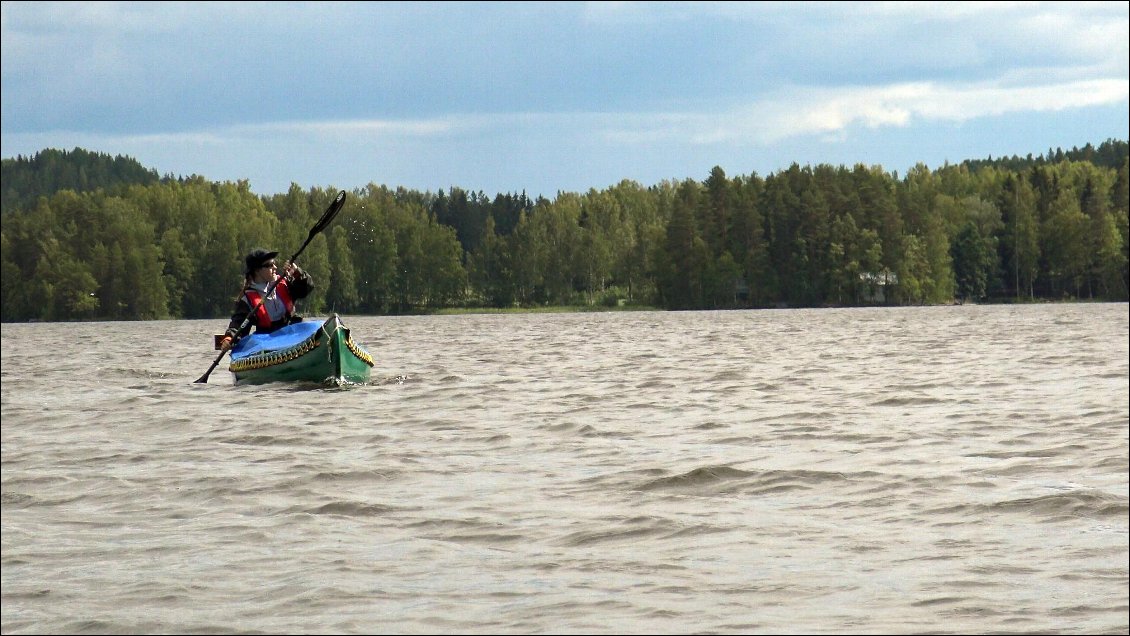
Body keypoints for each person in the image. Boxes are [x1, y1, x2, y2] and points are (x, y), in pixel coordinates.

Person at [217, 248, 314, 351]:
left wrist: (296, 271)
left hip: (293, 333)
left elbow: (307, 288)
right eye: (270, 265)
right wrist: (229, 338)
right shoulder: (247, 300)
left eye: (274, 264)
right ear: (257, 270)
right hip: (269, 343)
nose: (275, 267)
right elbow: (238, 325)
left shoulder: (284, 283)